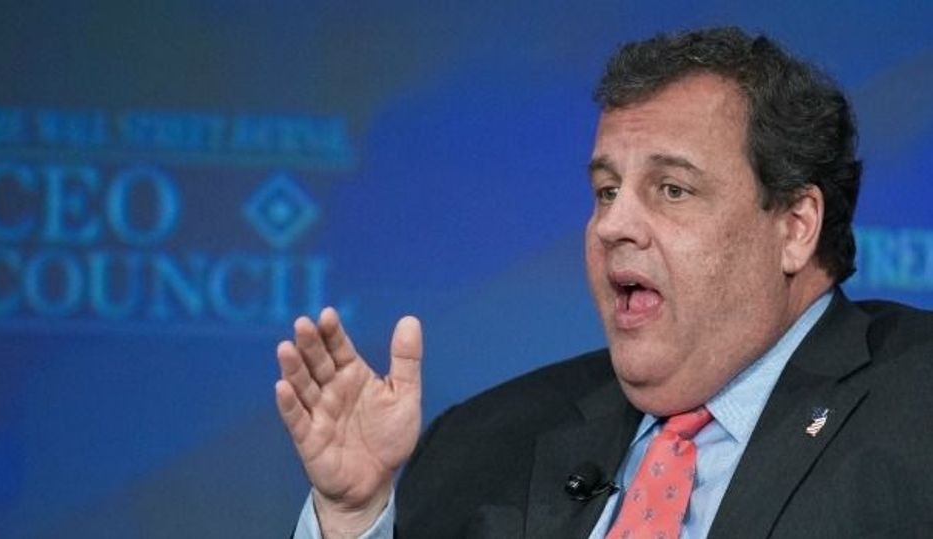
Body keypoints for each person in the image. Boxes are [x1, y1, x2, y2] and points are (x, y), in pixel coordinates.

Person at [275, 26, 933, 538]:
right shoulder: (481, 442)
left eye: (671, 189)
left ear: (794, 225)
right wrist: (354, 516)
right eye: (606, 190)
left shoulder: (916, 401)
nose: (613, 224)